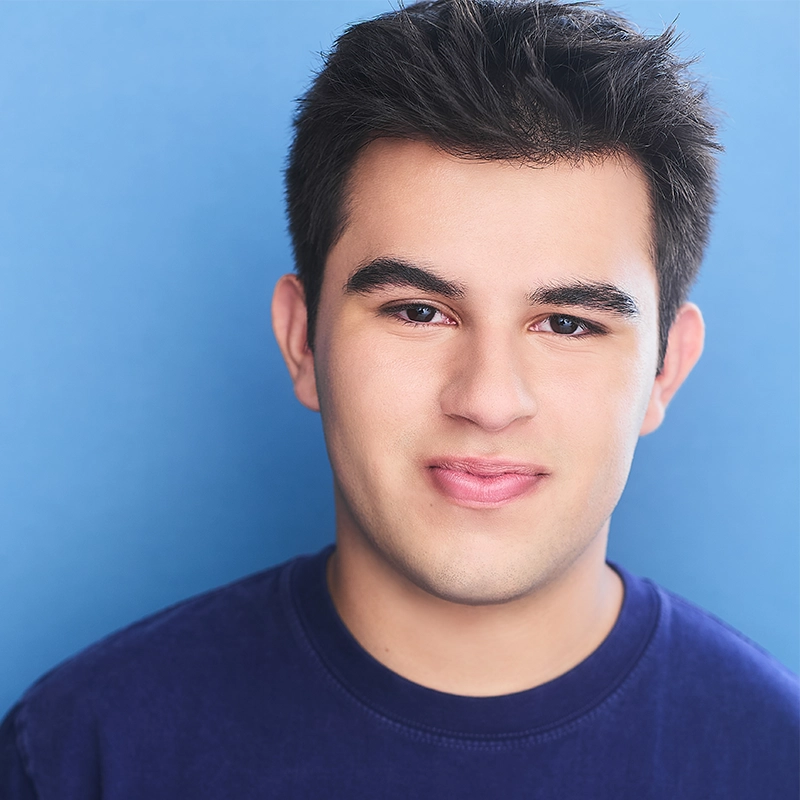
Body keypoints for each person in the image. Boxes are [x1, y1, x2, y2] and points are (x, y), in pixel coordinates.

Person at [1, 0, 797, 796]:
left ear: (666, 368)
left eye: (565, 323)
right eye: (418, 312)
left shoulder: (777, 760)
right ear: (302, 340)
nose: (488, 399)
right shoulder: (81, 753)